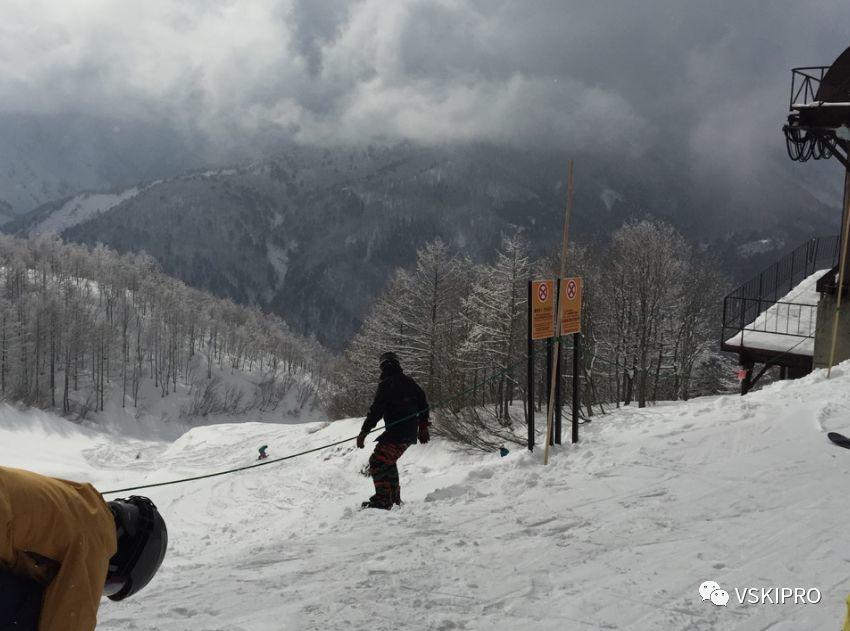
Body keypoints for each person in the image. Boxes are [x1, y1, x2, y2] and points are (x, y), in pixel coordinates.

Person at [0, 465, 167, 631]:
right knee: (34, 610)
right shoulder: (97, 540)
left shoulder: (80, 503)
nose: (101, 582)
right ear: (125, 553)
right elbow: (70, 620)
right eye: (110, 584)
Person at [356, 352, 430, 509]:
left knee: (377, 461)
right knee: (388, 461)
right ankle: (394, 498)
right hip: (407, 432)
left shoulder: (386, 384)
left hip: (397, 432)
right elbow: (423, 404)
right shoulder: (410, 382)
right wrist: (422, 427)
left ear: (382, 367)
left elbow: (376, 411)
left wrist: (363, 432)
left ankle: (383, 500)